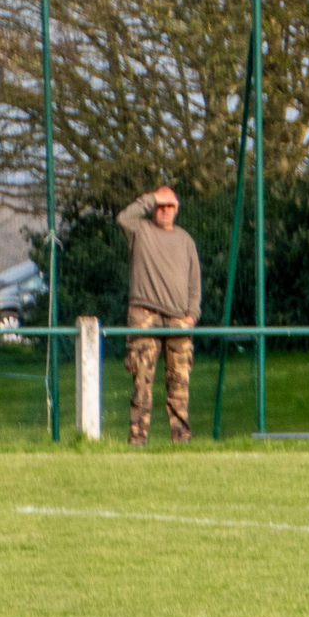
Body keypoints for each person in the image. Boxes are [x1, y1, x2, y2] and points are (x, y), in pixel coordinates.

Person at [118, 186, 202, 446]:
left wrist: (192, 315)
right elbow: (123, 218)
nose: (165, 210)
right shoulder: (140, 230)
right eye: (161, 206)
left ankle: (182, 440)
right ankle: (137, 440)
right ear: (153, 207)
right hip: (144, 315)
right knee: (142, 384)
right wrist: (152, 197)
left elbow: (194, 282)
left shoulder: (186, 240)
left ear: (177, 209)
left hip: (178, 320)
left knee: (179, 385)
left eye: (170, 206)